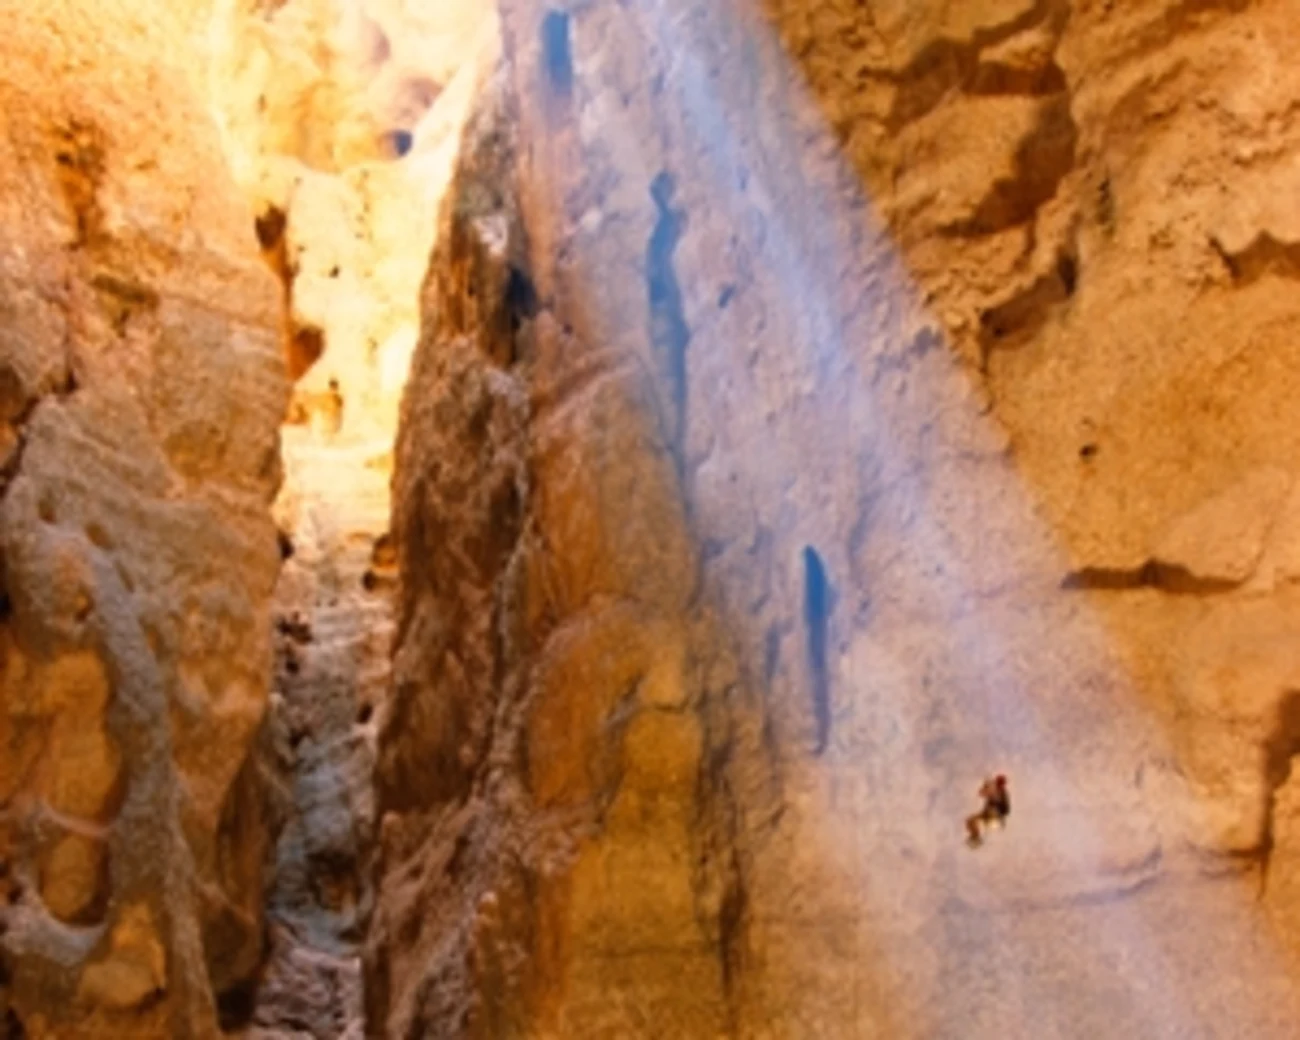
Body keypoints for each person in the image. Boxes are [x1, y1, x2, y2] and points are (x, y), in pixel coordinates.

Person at [966, 774, 1010, 848]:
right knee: (970, 821)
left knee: (974, 820)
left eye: (1000, 784)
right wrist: (986, 786)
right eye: (998, 783)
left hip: (995, 817)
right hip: (987, 815)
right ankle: (975, 837)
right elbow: (982, 793)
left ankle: (976, 838)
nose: (999, 786)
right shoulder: (994, 790)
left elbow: (1005, 809)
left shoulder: (1002, 794)